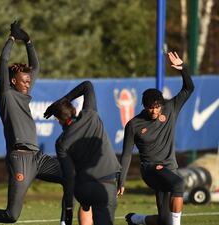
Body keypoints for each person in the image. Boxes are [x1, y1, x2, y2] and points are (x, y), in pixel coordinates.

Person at [0, 21, 71, 225]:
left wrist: (28, 40)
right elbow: (3, 60)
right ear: (13, 81)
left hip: (38, 157)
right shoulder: (5, 94)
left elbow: (36, 66)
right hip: (19, 158)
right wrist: (12, 39)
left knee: (71, 176)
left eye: (29, 81)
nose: (28, 84)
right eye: (24, 81)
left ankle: (65, 222)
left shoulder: (25, 93)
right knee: (11, 215)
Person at [117, 52, 194, 225]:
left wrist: (183, 69)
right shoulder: (134, 125)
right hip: (150, 169)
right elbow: (127, 154)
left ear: (161, 104)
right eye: (151, 108)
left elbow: (188, 88)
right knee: (179, 184)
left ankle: (135, 219)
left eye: (157, 107)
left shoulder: (171, 108)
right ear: (144, 106)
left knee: (164, 221)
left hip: (169, 168)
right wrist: (121, 180)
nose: (155, 111)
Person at [43, 80, 121, 225]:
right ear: (73, 110)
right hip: (106, 183)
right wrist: (62, 101)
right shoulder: (91, 115)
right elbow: (87, 85)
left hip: (83, 189)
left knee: (86, 205)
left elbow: (69, 177)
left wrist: (68, 208)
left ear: (59, 120)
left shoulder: (61, 142)